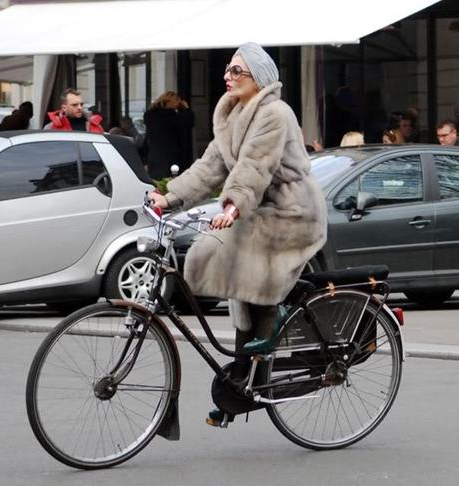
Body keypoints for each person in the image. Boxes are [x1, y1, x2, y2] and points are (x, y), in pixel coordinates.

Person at [148, 42, 327, 425]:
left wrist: (232, 206)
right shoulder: (232, 115)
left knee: (224, 249)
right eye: (227, 70)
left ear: (258, 78)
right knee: (228, 265)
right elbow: (210, 166)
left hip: (291, 211)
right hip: (259, 208)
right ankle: (244, 382)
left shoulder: (275, 113)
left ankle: (269, 329)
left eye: (236, 72)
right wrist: (170, 197)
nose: (226, 77)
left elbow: (254, 168)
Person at [143, 91, 194, 180]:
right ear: (171, 102)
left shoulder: (150, 116)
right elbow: (188, 122)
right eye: (177, 101)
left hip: (154, 156)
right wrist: (186, 109)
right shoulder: (170, 116)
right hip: (170, 156)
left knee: (157, 183)